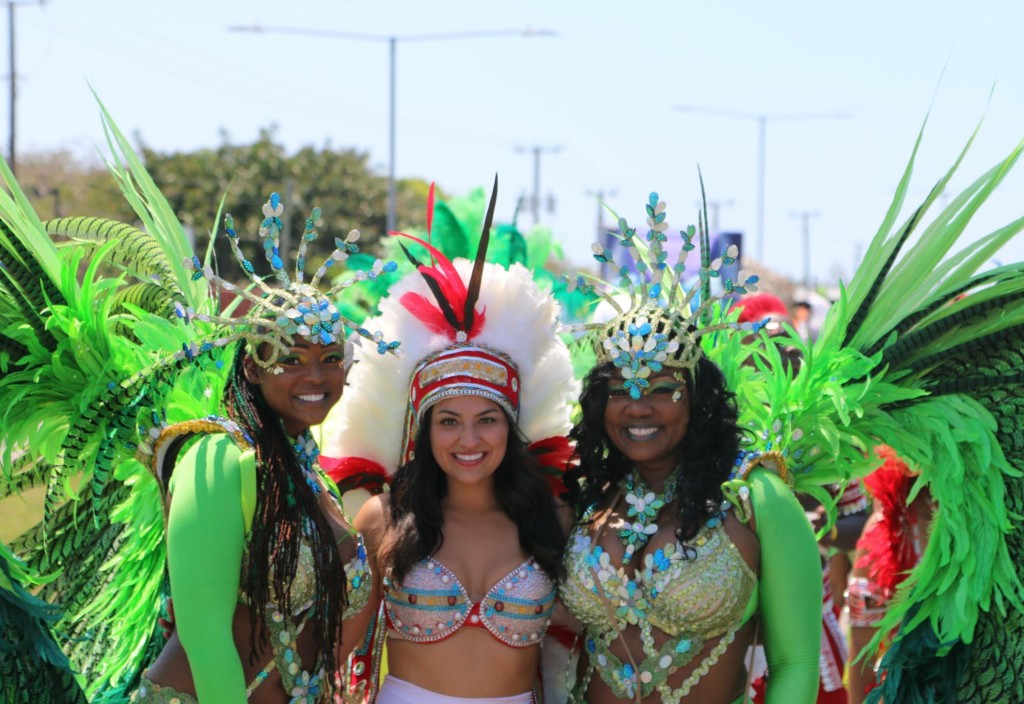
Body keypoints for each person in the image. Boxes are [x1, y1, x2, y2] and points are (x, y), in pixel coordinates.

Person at [322, 183, 580, 703]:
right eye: (448, 422)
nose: (468, 439)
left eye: (487, 419)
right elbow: (338, 648)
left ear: (512, 426)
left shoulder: (552, 518)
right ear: (424, 429)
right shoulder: (383, 517)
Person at [560, 194, 822, 703]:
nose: (638, 408)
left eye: (662, 389)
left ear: (697, 398)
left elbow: (796, 664)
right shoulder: (590, 496)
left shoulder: (756, 497)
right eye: (620, 390)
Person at [131, 194, 389, 703]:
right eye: (290, 359)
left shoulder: (310, 471)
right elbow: (204, 636)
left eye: (330, 357)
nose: (315, 376)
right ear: (251, 366)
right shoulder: (215, 457)